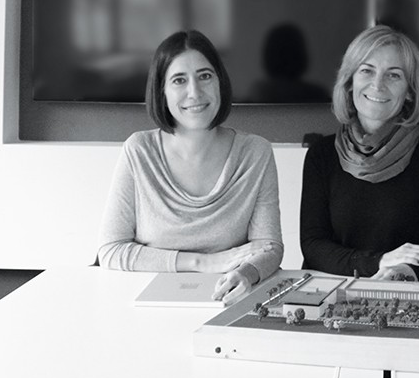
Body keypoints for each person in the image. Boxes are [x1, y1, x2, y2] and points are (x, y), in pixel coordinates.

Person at [97, 30, 283, 305]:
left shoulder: (255, 152)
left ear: (220, 82)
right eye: (179, 80)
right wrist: (203, 262)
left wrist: (246, 274)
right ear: (161, 91)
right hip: (142, 302)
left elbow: (269, 247)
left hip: (227, 299)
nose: (195, 92)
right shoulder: (138, 151)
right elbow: (111, 251)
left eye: (205, 76)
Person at [300, 25, 419, 281]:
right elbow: (313, 245)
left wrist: (407, 271)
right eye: (367, 70)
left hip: (415, 291)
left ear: (409, 91)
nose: (377, 85)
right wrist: (379, 262)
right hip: (339, 292)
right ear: (350, 82)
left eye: (393, 75)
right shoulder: (321, 155)